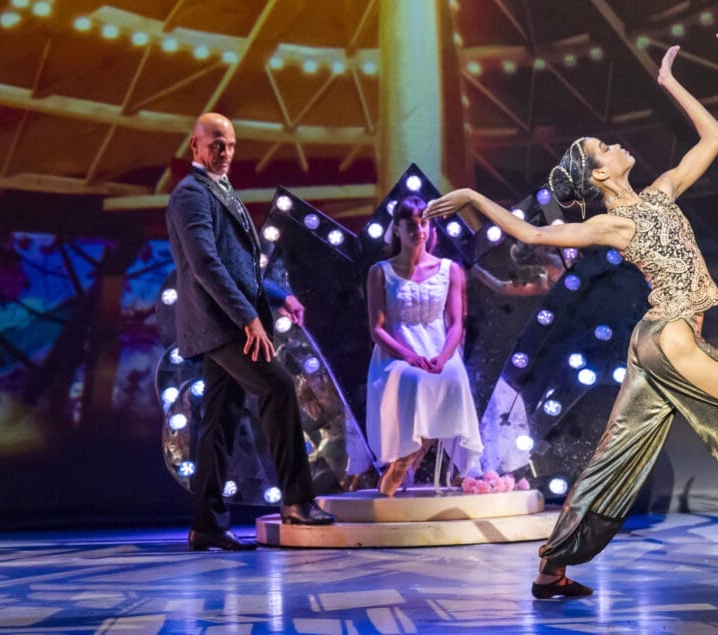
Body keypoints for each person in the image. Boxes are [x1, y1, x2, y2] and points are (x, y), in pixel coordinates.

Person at [426, 46, 718, 600]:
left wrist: (670, 81)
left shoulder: (661, 192)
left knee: (613, 458)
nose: (616, 143)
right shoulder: (612, 224)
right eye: (604, 148)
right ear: (600, 173)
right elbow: (533, 236)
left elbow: (714, 137)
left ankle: (551, 569)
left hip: (653, 345)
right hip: (672, 336)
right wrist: (478, 196)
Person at [166, 113, 335, 551]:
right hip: (220, 324)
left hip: (228, 320)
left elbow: (242, 265)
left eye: (231, 145)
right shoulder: (190, 195)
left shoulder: (221, 191)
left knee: (220, 423)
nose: (224, 152)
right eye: (216, 144)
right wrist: (247, 318)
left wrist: (278, 296)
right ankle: (297, 500)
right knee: (278, 387)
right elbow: (205, 264)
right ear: (195, 147)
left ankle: (206, 525)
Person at [366, 196, 484, 494]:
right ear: (397, 228)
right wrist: (409, 355)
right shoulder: (380, 271)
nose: (419, 230)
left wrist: (444, 356)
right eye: (411, 225)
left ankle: (411, 458)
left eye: (424, 223)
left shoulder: (449, 269)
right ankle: (403, 461)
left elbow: (456, 323)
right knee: (415, 381)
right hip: (397, 352)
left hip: (439, 349)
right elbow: (377, 329)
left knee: (453, 380)